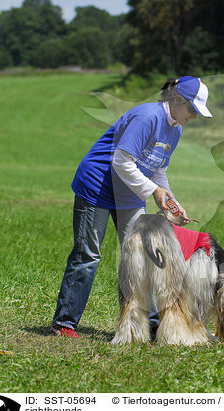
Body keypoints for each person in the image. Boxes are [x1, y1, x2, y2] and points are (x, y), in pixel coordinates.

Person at [50, 76, 212, 338]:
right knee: (88, 255)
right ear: (178, 100)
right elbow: (121, 162)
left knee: (143, 256)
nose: (193, 117)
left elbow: (157, 171)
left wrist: (171, 202)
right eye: (192, 110)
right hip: (97, 188)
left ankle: (148, 321)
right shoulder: (148, 117)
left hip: (129, 192)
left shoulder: (176, 129)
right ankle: (64, 323)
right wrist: (153, 191)